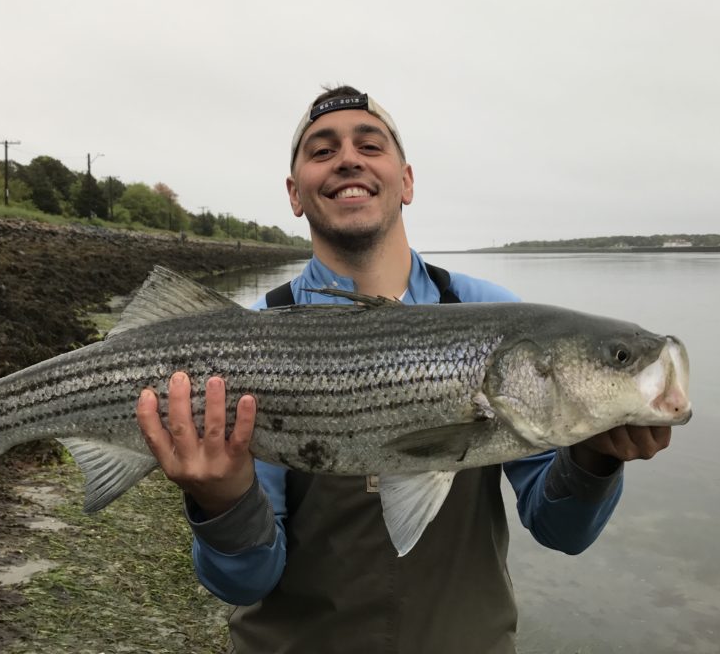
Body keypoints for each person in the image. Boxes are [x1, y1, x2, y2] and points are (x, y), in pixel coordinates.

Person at [136, 86, 673, 653]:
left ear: (407, 180)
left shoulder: (493, 314)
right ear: (295, 194)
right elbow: (244, 580)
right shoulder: (242, 342)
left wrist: (593, 457)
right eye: (322, 151)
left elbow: (561, 531)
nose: (348, 158)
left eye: (370, 144)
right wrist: (222, 501)